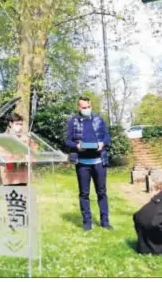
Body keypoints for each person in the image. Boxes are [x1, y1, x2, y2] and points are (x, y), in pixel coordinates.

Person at [65, 96, 112, 231]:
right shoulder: (73, 121)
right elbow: (67, 141)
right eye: (84, 108)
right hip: (82, 163)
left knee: (102, 192)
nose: (86, 109)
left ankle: (105, 222)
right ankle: (87, 223)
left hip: (99, 162)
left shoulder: (98, 119)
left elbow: (107, 136)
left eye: (88, 107)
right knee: (84, 194)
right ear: (79, 108)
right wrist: (77, 146)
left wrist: (103, 143)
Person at [0, 113, 37, 187]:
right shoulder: (2, 138)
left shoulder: (27, 138)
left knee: (22, 197)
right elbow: (1, 154)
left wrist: (30, 157)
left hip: (22, 175)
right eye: (17, 124)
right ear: (10, 123)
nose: (19, 126)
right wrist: (17, 156)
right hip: (8, 175)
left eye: (21, 124)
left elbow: (34, 152)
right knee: (10, 197)